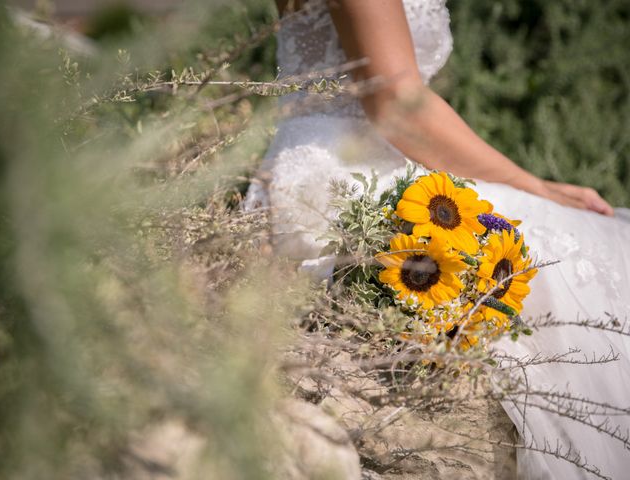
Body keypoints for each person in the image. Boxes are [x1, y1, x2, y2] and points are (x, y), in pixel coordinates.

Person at [246, 1, 630, 478]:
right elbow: (397, 104)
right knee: (585, 246)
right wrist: (537, 187)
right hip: (345, 171)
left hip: (359, 161)